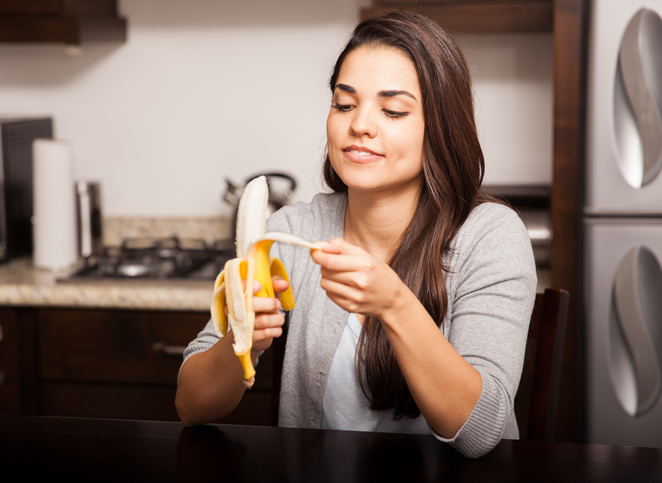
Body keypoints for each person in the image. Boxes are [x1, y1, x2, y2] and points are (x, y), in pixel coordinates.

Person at [175, 11, 536, 459]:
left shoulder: (491, 237)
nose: (359, 124)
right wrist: (241, 340)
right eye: (344, 104)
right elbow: (190, 407)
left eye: (393, 110)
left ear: (440, 127)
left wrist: (395, 304)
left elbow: (481, 434)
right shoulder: (290, 233)